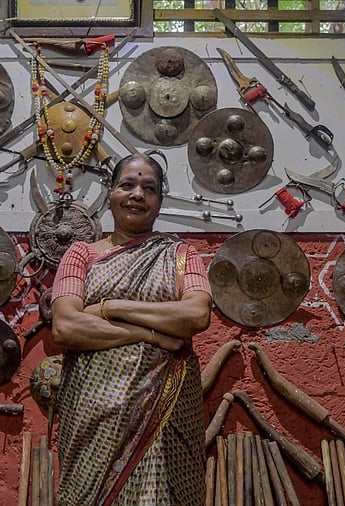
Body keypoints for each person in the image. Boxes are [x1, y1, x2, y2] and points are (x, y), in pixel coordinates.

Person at [51, 153, 213, 505]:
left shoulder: (182, 255)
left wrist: (112, 307)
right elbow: (65, 327)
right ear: (110, 195)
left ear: (159, 202)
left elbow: (196, 315)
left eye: (149, 188)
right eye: (127, 184)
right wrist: (150, 334)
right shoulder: (81, 255)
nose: (137, 194)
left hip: (163, 419)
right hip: (91, 418)